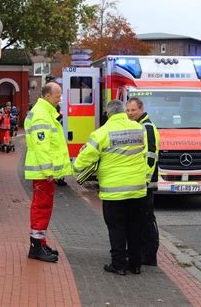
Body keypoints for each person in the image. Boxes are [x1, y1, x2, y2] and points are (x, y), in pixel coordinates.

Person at [73, 100, 148, 275]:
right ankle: (136, 264)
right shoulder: (139, 129)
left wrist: (75, 169)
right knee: (135, 227)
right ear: (124, 111)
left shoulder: (101, 133)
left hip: (114, 191)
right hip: (137, 189)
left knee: (117, 228)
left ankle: (119, 265)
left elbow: (85, 157)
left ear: (108, 114)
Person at [24, 82, 72, 262]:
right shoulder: (42, 116)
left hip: (44, 172)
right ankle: (36, 247)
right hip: (43, 173)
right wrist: (47, 170)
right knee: (41, 207)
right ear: (47, 96)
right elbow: (41, 146)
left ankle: (40, 242)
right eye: (58, 95)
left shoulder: (44, 113)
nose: (60, 98)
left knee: (43, 207)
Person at [126, 97, 160, 266]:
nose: (130, 113)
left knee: (147, 219)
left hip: (146, 182)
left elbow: (151, 156)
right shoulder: (137, 126)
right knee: (139, 219)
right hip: (140, 182)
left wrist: (144, 179)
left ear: (141, 109)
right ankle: (142, 252)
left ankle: (150, 255)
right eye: (128, 110)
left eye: (133, 110)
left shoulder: (147, 127)